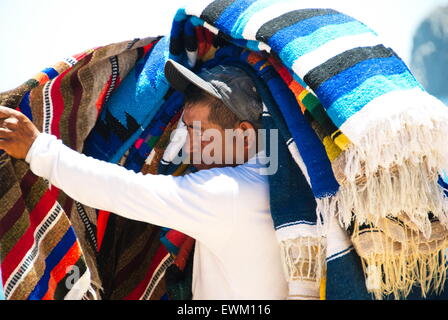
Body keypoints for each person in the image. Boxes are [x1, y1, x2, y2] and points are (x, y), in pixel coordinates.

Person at [0, 59, 288, 300]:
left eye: (199, 131)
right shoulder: (278, 184)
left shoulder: (232, 194)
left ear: (245, 134)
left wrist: (38, 149)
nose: (187, 146)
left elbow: (126, 191)